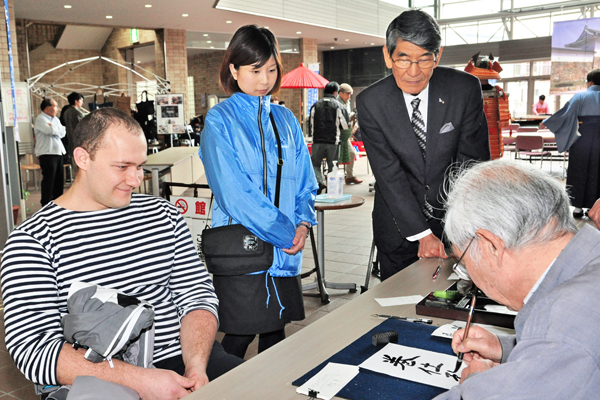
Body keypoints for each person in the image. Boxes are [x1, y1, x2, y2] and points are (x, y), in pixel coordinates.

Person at [1, 108, 242, 400]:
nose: (135, 179)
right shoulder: (33, 240)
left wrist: (196, 366)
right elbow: (33, 349)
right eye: (122, 167)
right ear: (82, 158)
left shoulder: (163, 215)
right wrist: (142, 381)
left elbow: (196, 295)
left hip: (185, 359)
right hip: (99, 376)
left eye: (140, 166)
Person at [434, 159, 600, 399]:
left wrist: (480, 385)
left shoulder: (561, 327)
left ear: (492, 245)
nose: (470, 277)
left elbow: (565, 346)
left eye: (464, 263)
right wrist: (507, 349)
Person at [199, 25, 318, 359]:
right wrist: (285, 232)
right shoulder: (220, 120)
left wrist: (304, 224)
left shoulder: (285, 118)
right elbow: (233, 194)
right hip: (243, 249)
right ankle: (206, 387)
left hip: (285, 252)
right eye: (255, 70)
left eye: (271, 69)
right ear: (234, 70)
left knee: (276, 331)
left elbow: (305, 182)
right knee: (238, 334)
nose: (265, 79)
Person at [355, 10, 491, 281]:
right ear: (387, 56)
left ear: (437, 56)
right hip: (398, 225)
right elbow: (388, 174)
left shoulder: (463, 89)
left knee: (453, 303)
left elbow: (472, 165)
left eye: (424, 59)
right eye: (403, 59)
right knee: (399, 306)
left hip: (455, 223)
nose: (414, 72)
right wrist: (422, 235)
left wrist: (461, 229)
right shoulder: (371, 102)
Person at [542, 69, 600, 218]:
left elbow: (566, 114)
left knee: (579, 169)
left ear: (590, 82)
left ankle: (578, 207)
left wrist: (548, 122)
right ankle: (596, 207)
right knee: (598, 171)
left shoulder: (581, 96)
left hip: (584, 138)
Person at [310, 81, 349, 194]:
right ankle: (331, 190)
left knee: (315, 164)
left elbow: (311, 124)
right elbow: (345, 126)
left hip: (317, 141)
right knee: (333, 167)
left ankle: (319, 182)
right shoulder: (338, 106)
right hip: (333, 141)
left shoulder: (315, 105)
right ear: (335, 92)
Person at [34, 98, 67, 206]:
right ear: (48, 108)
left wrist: (54, 128)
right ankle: (46, 205)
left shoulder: (56, 120)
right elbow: (49, 131)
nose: (57, 109)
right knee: (49, 180)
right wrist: (54, 129)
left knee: (59, 180)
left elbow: (63, 132)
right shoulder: (40, 118)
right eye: (55, 106)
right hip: (47, 153)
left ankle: (58, 204)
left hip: (58, 152)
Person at [337, 83, 362, 185]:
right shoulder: (336, 103)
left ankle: (349, 176)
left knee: (351, 153)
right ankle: (332, 178)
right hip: (336, 134)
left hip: (344, 133)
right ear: (340, 93)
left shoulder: (346, 102)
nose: (349, 97)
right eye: (347, 94)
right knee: (334, 157)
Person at [61, 92, 89, 158]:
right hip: (79, 142)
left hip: (70, 141)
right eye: (81, 100)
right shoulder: (78, 113)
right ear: (76, 101)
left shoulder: (66, 112)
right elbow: (84, 127)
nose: (82, 102)